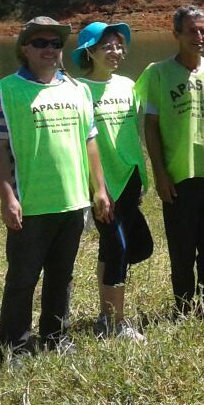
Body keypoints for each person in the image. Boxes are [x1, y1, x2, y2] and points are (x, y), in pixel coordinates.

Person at [0, 17, 112, 355]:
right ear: (24, 48)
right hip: (31, 203)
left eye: (55, 44)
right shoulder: (3, 92)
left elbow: (90, 142)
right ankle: (16, 344)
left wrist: (98, 190)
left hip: (72, 202)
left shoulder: (78, 89)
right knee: (23, 278)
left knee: (62, 275)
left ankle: (56, 338)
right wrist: (7, 197)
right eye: (40, 43)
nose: (49, 50)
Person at [139, 5, 204, 316]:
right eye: (192, 30)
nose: (199, 36)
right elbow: (150, 126)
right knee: (182, 248)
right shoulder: (158, 73)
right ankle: (182, 306)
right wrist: (160, 173)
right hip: (178, 176)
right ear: (176, 34)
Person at [74, 21, 153, 341]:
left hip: (131, 177)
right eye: (107, 46)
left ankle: (105, 314)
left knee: (134, 247)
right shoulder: (77, 90)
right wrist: (96, 189)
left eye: (119, 46)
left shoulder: (128, 85)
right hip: (103, 184)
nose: (116, 52)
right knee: (118, 248)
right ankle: (115, 323)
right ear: (89, 52)